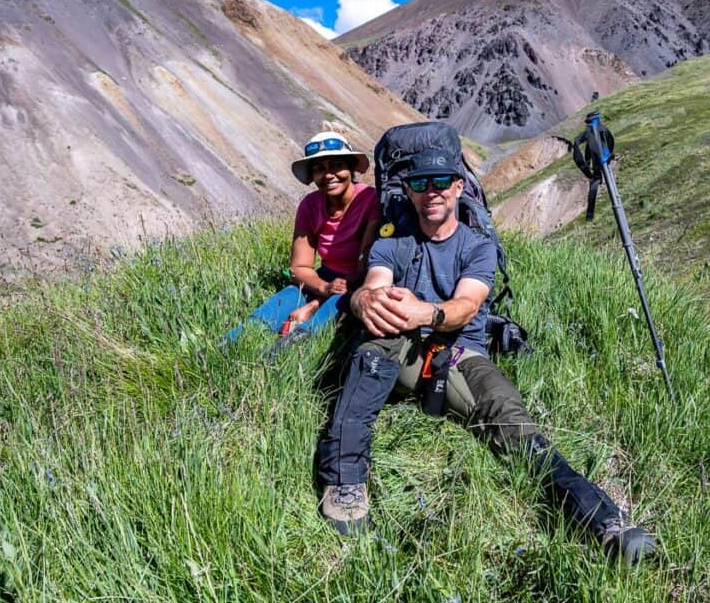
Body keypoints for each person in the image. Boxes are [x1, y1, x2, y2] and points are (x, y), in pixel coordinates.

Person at [313, 138, 658, 564]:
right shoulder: (391, 240)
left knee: (512, 422)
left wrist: (428, 313)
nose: (432, 190)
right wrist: (365, 299)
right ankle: (345, 480)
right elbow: (377, 282)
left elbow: (467, 306)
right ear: (411, 191)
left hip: (459, 354)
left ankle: (605, 522)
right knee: (373, 344)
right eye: (422, 182)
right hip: (401, 350)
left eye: (442, 181)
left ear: (458, 187)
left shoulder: (477, 246)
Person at [224, 131, 379, 349]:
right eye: (319, 169)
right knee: (286, 298)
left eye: (336, 165)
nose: (328, 175)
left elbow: (367, 260)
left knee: (333, 308)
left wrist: (318, 301)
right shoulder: (310, 204)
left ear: (351, 167)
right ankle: (227, 349)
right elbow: (300, 267)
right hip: (325, 278)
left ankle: (284, 355)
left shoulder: (370, 200)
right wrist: (324, 288)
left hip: (362, 280)